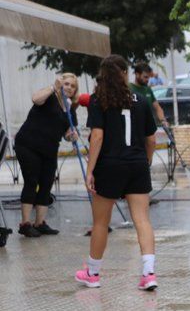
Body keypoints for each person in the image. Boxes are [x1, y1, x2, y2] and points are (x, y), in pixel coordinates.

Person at [75, 55, 159, 291]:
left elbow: (97, 137)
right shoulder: (141, 100)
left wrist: (89, 171)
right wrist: (146, 161)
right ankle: (149, 273)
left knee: (101, 223)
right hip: (137, 164)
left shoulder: (97, 100)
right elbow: (151, 139)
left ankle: (92, 273)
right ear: (124, 73)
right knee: (142, 219)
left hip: (109, 166)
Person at [14, 74, 80, 237]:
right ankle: (25, 224)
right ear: (60, 84)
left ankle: (40, 223)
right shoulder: (49, 96)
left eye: (73, 86)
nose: (69, 87)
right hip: (29, 144)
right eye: (66, 84)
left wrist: (71, 135)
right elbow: (35, 99)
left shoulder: (70, 109)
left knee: (46, 183)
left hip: (49, 149)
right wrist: (53, 87)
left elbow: (67, 133)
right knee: (32, 181)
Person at [130, 62, 168, 128]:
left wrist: (163, 121)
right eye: (145, 77)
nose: (147, 80)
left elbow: (157, 107)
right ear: (137, 75)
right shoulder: (128, 88)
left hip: (148, 129)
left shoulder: (148, 90)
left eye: (149, 77)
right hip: (133, 129)